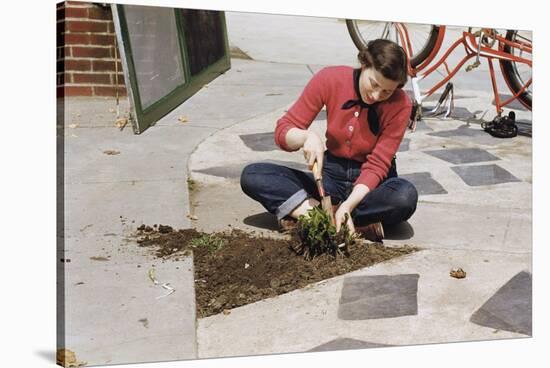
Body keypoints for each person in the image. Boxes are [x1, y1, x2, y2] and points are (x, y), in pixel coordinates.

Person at [240, 39, 418, 241]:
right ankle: (349, 222)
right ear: (364, 65)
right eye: (373, 84)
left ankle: (317, 217)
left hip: (372, 185)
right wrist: (306, 136)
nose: (377, 95)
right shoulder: (330, 78)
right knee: (253, 175)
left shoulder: (401, 104)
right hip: (331, 176)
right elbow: (283, 131)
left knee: (405, 196)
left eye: (387, 91)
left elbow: (378, 164)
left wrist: (349, 205)